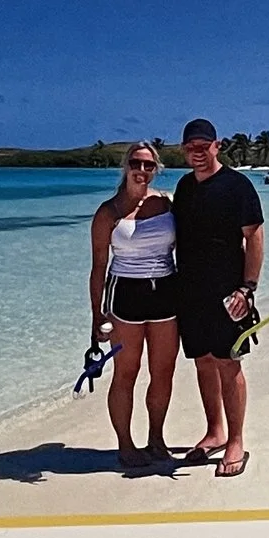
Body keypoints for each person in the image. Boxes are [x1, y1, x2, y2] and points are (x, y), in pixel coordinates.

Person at [173, 116, 264, 479]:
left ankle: (236, 441)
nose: (197, 152)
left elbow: (254, 237)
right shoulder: (184, 187)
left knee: (229, 363)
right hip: (189, 292)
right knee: (203, 362)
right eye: (190, 147)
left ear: (217, 146)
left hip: (229, 292)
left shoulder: (237, 186)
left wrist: (248, 288)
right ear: (184, 150)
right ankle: (215, 431)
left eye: (203, 146)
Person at [87, 142, 180, 474]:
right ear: (125, 166)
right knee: (126, 372)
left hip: (166, 291)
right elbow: (99, 267)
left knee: (163, 371)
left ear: (157, 169)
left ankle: (156, 439)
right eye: (136, 164)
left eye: (149, 165)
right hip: (125, 295)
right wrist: (96, 315)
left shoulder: (168, 203)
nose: (142, 171)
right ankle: (125, 444)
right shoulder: (108, 212)